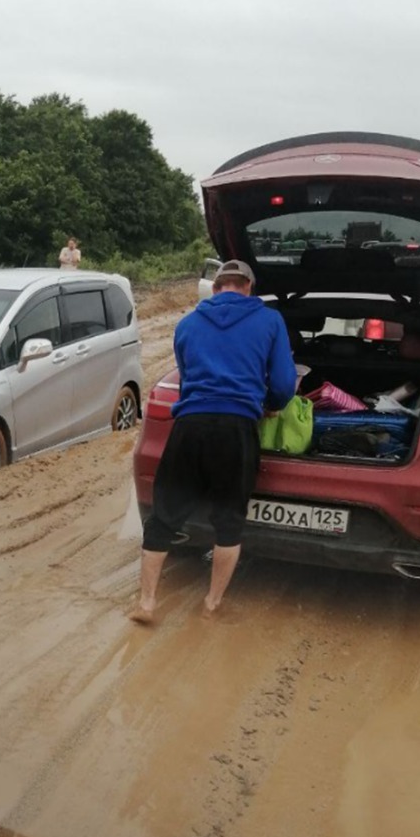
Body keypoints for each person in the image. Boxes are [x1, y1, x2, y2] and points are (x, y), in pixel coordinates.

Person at [129, 259, 296, 624]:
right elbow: (284, 385)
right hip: (236, 429)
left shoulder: (187, 324)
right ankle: (212, 604)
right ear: (249, 287)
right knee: (229, 520)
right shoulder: (270, 321)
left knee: (163, 517)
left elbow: (187, 377)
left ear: (217, 287)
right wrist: (270, 406)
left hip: (190, 427)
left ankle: (146, 603)